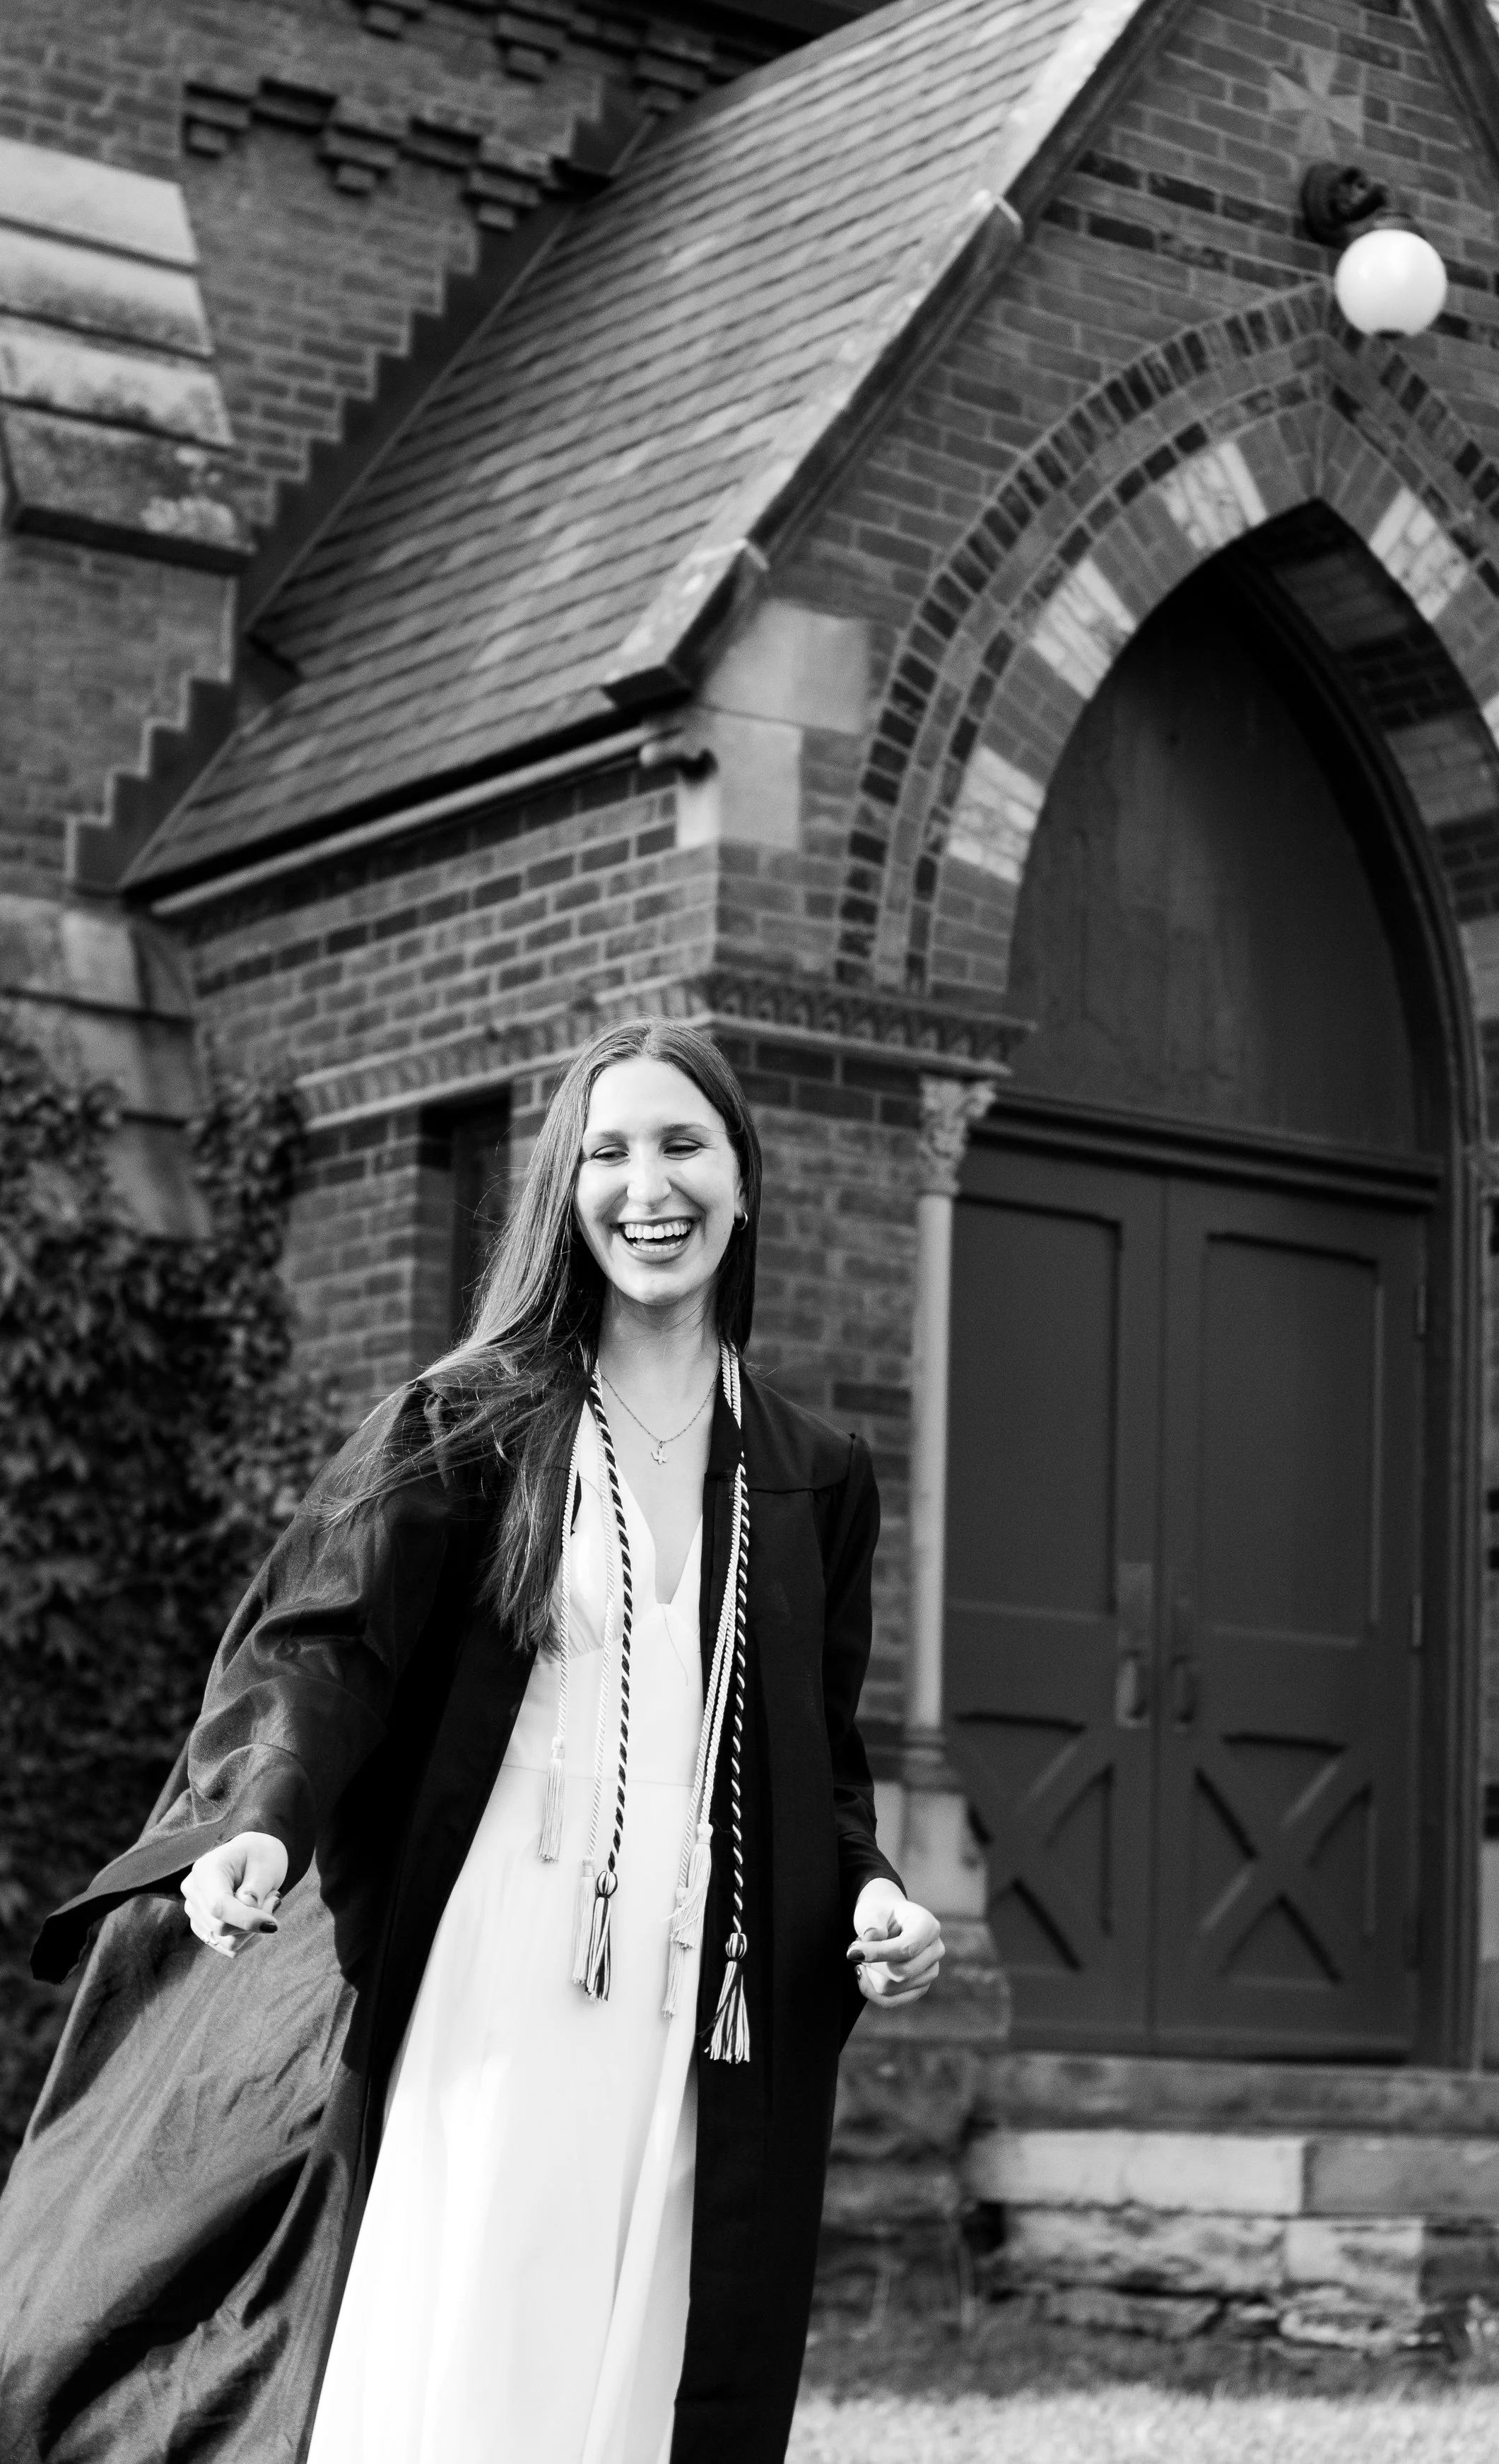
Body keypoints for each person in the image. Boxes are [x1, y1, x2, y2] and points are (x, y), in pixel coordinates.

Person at [0, 1021, 941, 2464]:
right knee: (480, 2318)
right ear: (562, 1190)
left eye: (683, 1145)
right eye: (609, 1152)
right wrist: (262, 1814)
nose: (649, 1186)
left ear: (742, 1181)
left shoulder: (812, 1471)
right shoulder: (472, 1423)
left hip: (700, 1981)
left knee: (651, 2339)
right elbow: (326, 1650)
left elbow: (806, 1757)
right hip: (500, 1954)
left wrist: (868, 1890)